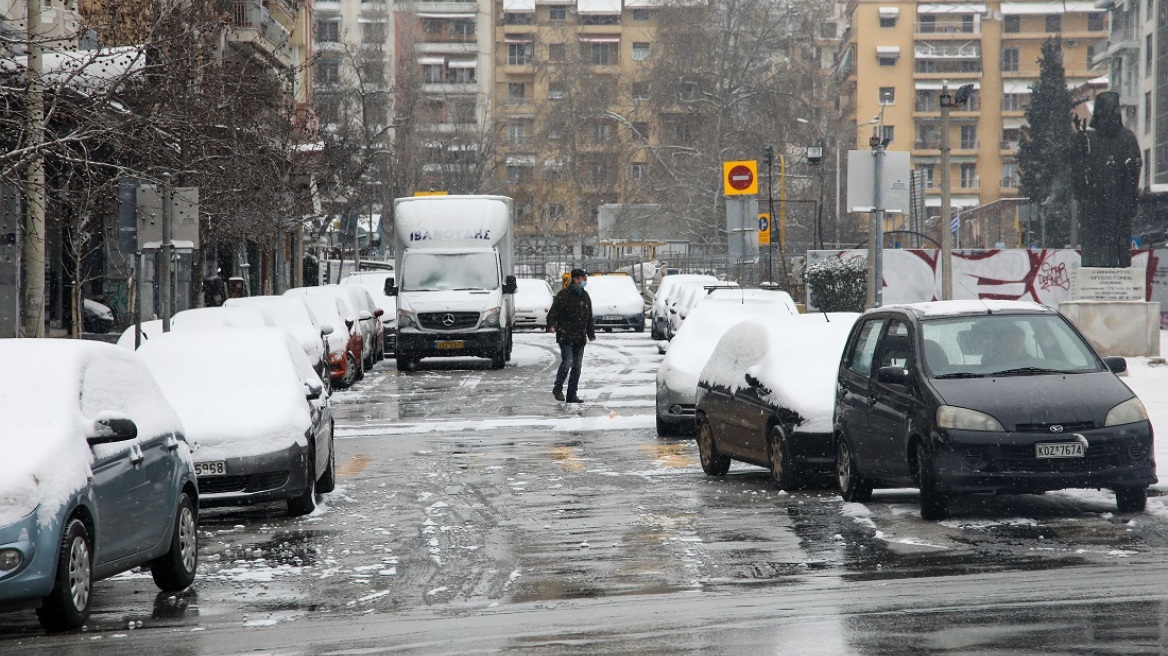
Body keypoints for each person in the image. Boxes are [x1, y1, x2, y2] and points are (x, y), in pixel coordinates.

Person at [546, 268, 595, 403]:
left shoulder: (585, 296)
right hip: (566, 335)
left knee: (577, 367)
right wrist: (552, 325)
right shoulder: (564, 295)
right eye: (578, 279)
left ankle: (572, 394)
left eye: (583, 279)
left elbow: (589, 316)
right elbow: (553, 312)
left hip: (580, 336)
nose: (581, 281)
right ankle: (557, 388)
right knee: (568, 362)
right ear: (573, 279)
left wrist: (590, 333)